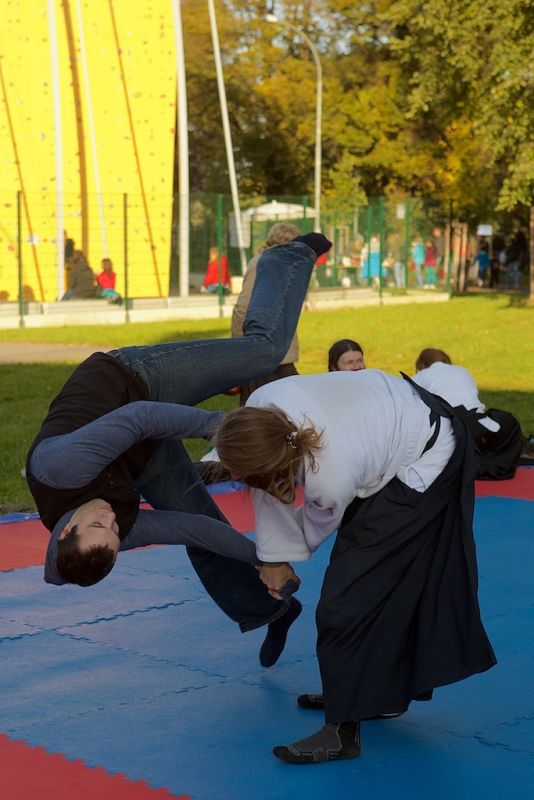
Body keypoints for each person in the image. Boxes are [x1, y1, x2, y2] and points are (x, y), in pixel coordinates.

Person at [26, 233, 331, 668]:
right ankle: (271, 607)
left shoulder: (60, 467)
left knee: (265, 353)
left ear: (65, 529)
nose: (111, 519)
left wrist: (218, 429)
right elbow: (194, 531)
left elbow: (142, 417)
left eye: (99, 522)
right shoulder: (109, 536)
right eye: (114, 532)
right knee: (204, 530)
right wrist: (266, 559)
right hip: (141, 456)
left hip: (134, 382)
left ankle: (288, 256)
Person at [214, 369, 496, 763]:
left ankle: (342, 732)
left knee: (346, 599)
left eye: (238, 472)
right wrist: (274, 558)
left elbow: (313, 522)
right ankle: (372, 695)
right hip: (389, 428)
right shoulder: (261, 408)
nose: (231, 477)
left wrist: (280, 561)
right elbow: (266, 489)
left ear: (273, 465)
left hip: (426, 459)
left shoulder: (330, 476)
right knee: (371, 584)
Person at [413, 348, 523, 480]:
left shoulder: (420, 376)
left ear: (422, 364)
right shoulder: (462, 371)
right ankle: (493, 467)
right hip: (480, 427)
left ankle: (459, 466)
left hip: (448, 432)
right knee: (509, 423)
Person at [232, 222, 301, 405]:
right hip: (263, 351)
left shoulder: (283, 264)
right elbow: (243, 307)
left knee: (288, 408)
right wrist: (239, 348)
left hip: (278, 350)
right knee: (259, 413)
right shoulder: (263, 264)